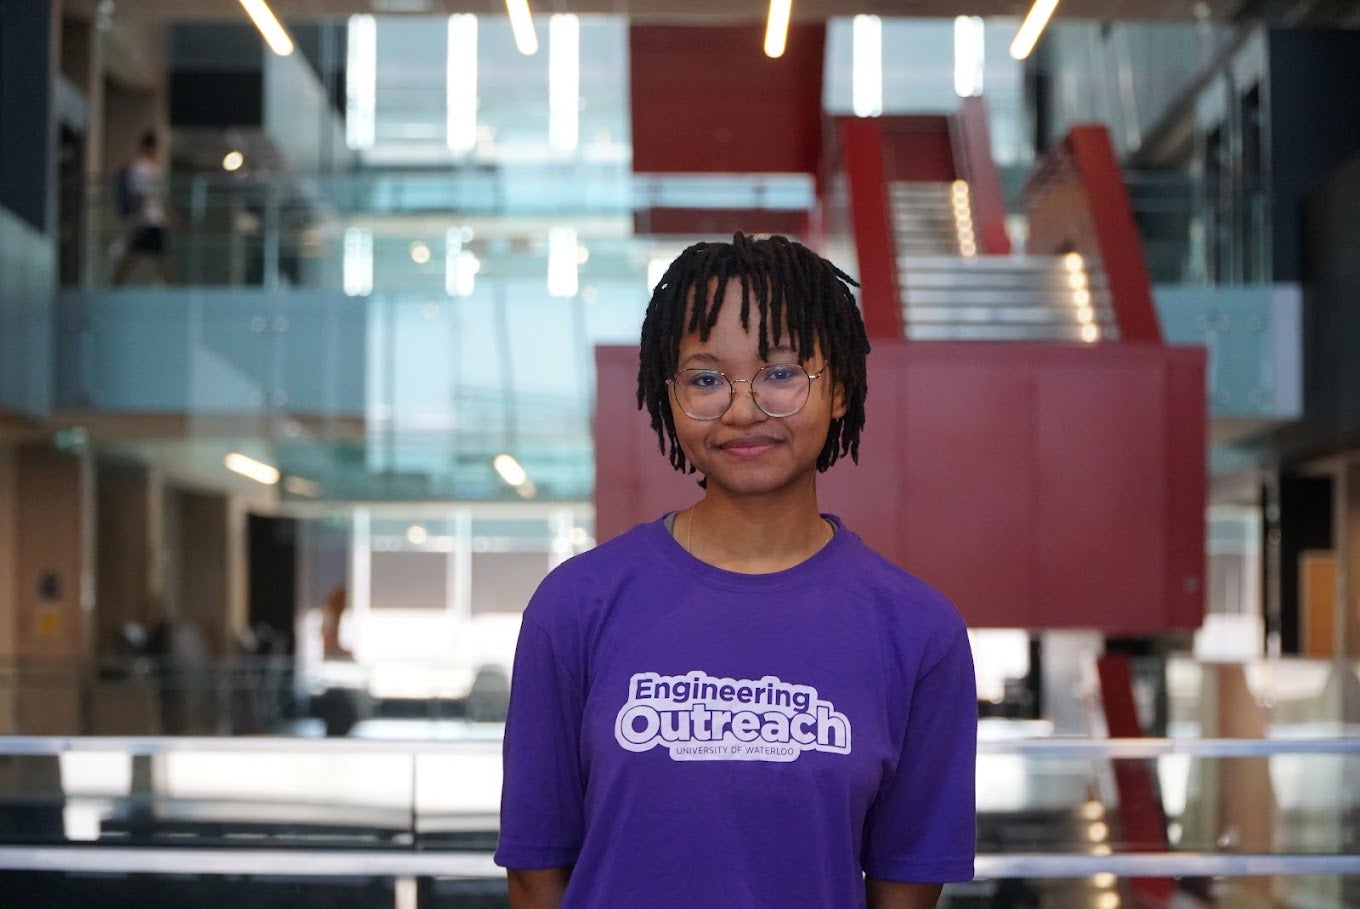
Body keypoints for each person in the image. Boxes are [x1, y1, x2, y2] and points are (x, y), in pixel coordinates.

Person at [495, 233, 978, 908]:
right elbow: (535, 872)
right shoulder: (575, 606)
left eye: (781, 372)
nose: (743, 408)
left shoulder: (919, 632)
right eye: (705, 378)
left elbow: (907, 888)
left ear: (838, 388)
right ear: (668, 397)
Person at [111, 130, 173, 285]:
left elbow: (155, 198)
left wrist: (165, 215)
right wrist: (137, 220)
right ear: (149, 147)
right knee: (146, 255)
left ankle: (115, 283)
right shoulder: (141, 169)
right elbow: (139, 195)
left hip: (152, 219)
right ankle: (115, 283)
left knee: (153, 255)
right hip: (146, 220)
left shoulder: (151, 168)